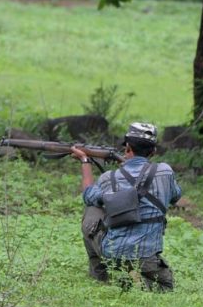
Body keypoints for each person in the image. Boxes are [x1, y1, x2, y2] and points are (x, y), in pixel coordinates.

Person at [72, 122, 181, 291]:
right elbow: (175, 196)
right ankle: (135, 283)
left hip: (111, 253)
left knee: (91, 210)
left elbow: (88, 195)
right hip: (147, 257)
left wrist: (85, 160)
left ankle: (101, 275)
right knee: (166, 286)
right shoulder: (165, 171)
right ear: (153, 151)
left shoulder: (109, 177)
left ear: (128, 147)